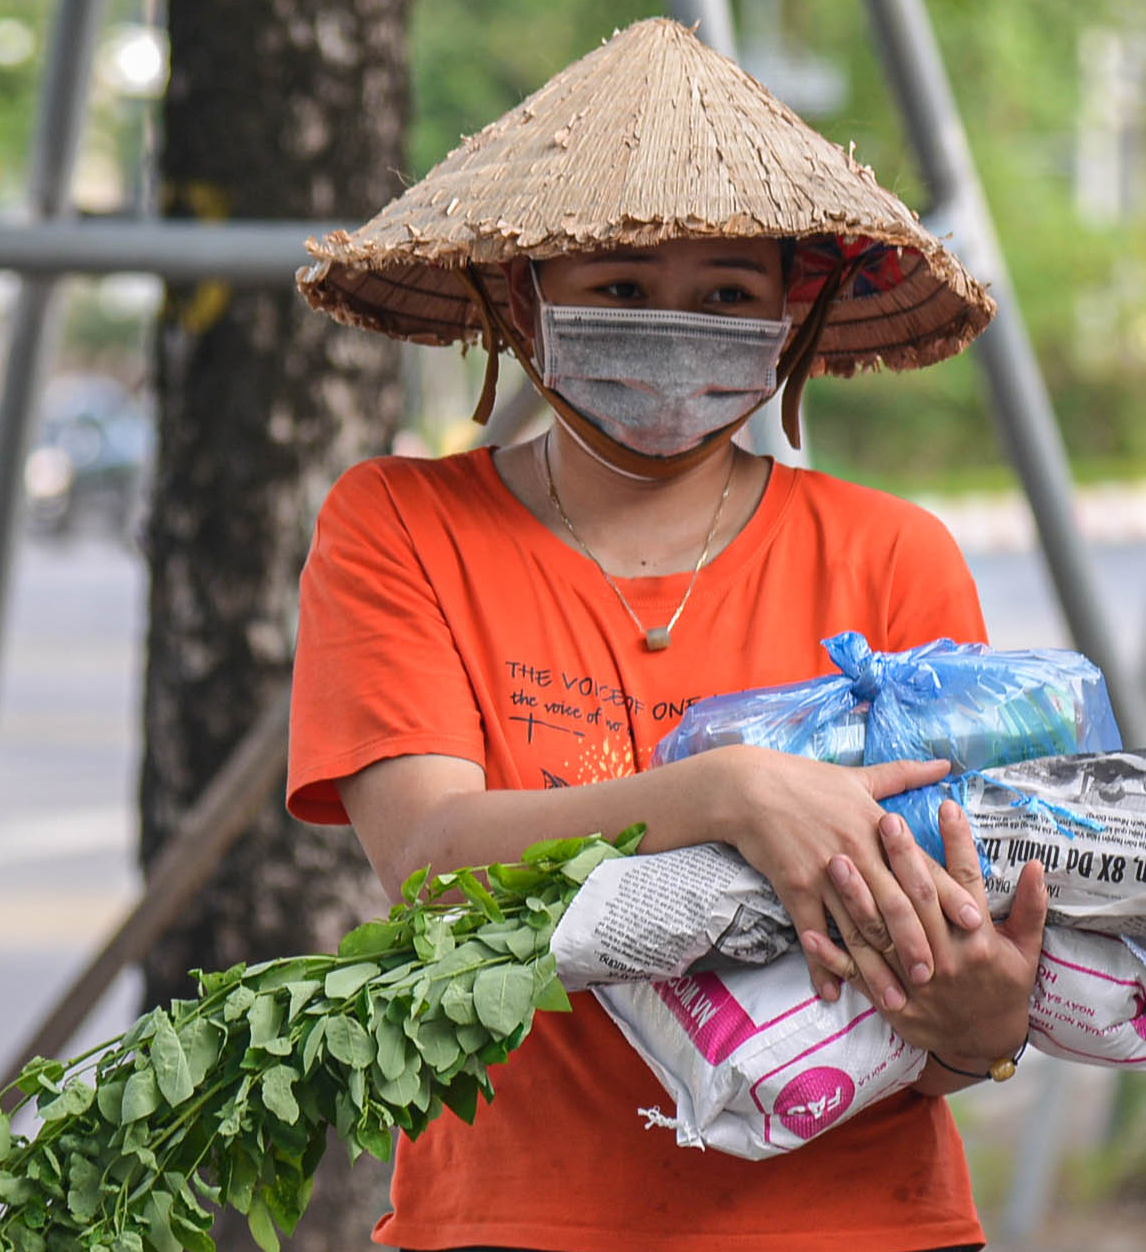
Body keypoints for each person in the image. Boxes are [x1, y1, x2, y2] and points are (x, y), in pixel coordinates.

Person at [289, 19, 1047, 1252]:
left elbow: (947, 977)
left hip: (863, 1223)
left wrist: (985, 1029)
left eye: (727, 296)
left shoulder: (891, 558)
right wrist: (732, 794)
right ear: (523, 303)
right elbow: (434, 865)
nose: (674, 323)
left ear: (789, 326)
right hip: (510, 1225)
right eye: (624, 288)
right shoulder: (402, 526)